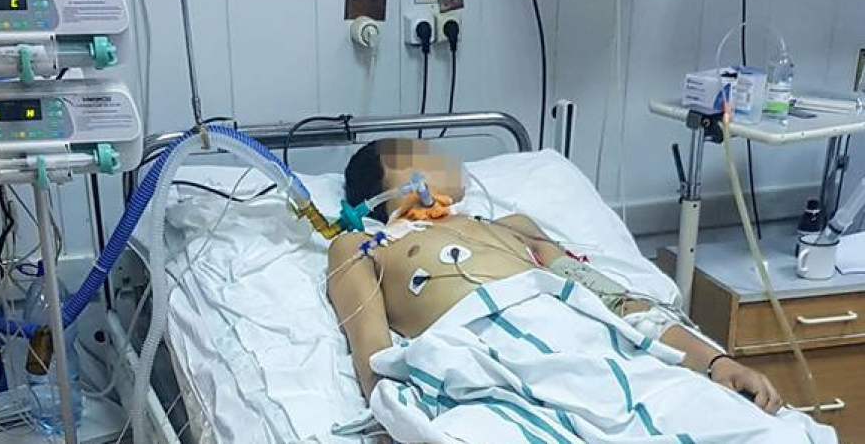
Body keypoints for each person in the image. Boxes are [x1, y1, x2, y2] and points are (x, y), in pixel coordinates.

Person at [326, 138, 825, 443]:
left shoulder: (512, 226)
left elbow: (612, 299)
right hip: (485, 354)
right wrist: (392, 417)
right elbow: (374, 354)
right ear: (387, 181)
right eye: (418, 152)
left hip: (587, 337)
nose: (442, 157)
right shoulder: (365, 245)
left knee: (758, 430)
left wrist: (716, 362)